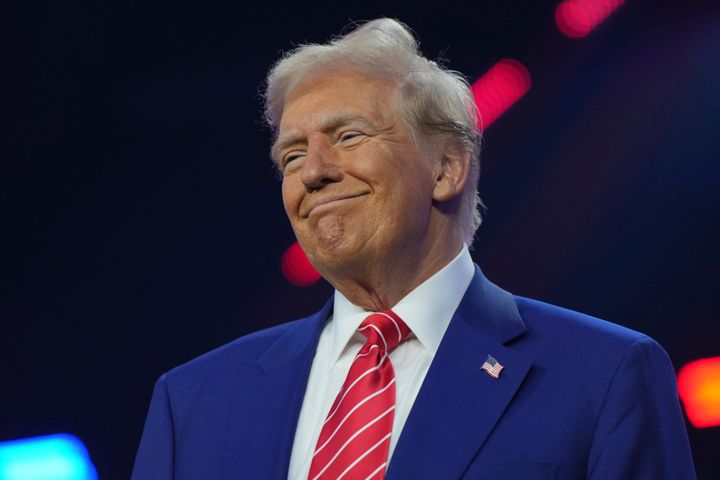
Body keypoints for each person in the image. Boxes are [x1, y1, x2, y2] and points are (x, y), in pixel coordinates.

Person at [131, 18, 695, 480]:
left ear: (446, 169)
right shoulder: (193, 402)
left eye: (349, 136)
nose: (315, 172)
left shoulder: (605, 375)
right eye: (292, 155)